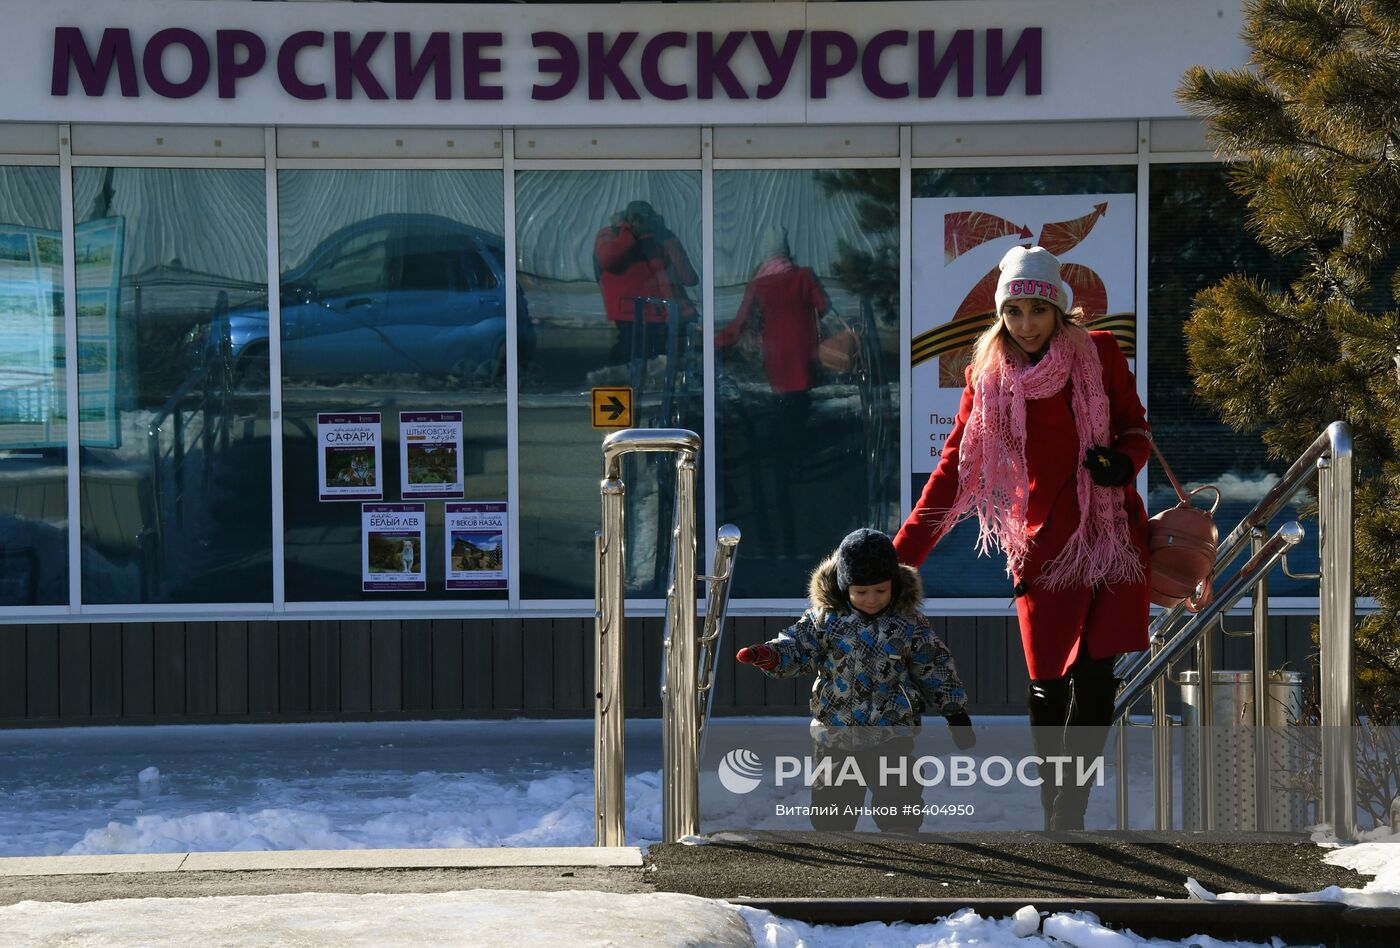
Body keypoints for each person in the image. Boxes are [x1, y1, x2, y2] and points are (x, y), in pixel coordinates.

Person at [893, 245, 1150, 832]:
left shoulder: (1100, 354)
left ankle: (1071, 812)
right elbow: (954, 470)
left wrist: (1124, 460)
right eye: (1014, 311)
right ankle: (1052, 801)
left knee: (1095, 677)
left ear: (1059, 307)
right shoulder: (986, 377)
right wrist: (899, 557)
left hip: (1110, 537)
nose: (1026, 325)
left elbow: (1136, 427)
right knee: (1048, 682)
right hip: (1041, 546)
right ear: (1001, 314)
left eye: (1037, 310)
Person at [736, 528, 974, 832]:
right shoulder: (825, 621)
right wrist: (768, 655)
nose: (872, 599)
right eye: (861, 592)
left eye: (881, 591)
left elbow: (934, 665)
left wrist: (955, 712)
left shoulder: (908, 624)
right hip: (835, 737)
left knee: (900, 811)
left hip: (891, 736)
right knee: (831, 816)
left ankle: (903, 853)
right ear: (843, 586)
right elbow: (797, 646)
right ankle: (841, 866)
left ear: (894, 585)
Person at [593, 200, 698, 366]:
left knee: (663, 362)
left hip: (665, 313)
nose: (642, 222)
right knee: (629, 355)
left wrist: (667, 239)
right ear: (626, 218)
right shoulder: (611, 234)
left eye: (646, 218)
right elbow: (607, 259)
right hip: (632, 314)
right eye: (636, 218)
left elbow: (688, 277)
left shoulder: (661, 238)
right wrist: (630, 234)